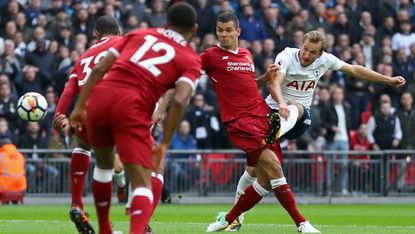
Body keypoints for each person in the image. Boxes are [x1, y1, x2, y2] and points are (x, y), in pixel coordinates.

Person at [232, 30, 406, 231]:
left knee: (296, 107)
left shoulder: (326, 60)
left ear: (320, 54)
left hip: (298, 119)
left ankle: (277, 128)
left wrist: (388, 79)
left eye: (313, 52)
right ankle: (236, 217)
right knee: (255, 172)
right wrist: (281, 103)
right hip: (271, 113)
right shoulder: (286, 56)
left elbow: (355, 70)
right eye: (305, 48)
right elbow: (275, 83)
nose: (306, 55)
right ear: (301, 43)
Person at [70, 3, 201, 234]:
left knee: (103, 165)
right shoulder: (190, 58)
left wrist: (79, 107)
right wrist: (165, 142)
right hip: (131, 107)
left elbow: (100, 68)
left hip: (99, 99)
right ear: (195, 29)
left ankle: (104, 230)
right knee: (143, 179)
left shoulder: (139, 34)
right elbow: (180, 101)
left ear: (166, 24)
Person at [204, 12, 319, 233]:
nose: (224, 34)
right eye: (220, 30)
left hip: (262, 117)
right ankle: (302, 224)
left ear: (237, 31)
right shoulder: (211, 55)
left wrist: (265, 78)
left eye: (228, 30)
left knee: (264, 180)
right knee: (275, 169)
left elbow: (249, 88)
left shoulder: (246, 55)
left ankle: (228, 219)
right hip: (240, 121)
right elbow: (185, 73)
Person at [51, 15, 127, 234]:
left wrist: (59, 115)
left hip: (86, 111)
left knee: (82, 146)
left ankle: (77, 204)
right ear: (119, 32)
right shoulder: (122, 43)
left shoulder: (83, 56)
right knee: (115, 162)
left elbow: (69, 88)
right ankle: (127, 208)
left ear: (95, 33)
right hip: (115, 106)